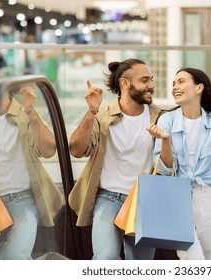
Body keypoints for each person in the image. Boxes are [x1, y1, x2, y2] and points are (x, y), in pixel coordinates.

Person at [146, 67, 211, 260]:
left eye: (181, 81)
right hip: (176, 197)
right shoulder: (167, 120)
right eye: (174, 83)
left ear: (199, 87)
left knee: (210, 258)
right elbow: (164, 168)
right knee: (192, 258)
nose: (175, 86)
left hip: (207, 197)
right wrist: (165, 139)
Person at [68, 58, 161, 260]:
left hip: (145, 200)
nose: (151, 85)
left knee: (141, 265)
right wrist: (92, 112)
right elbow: (76, 150)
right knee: (105, 259)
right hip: (108, 198)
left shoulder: (161, 117)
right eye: (145, 80)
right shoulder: (102, 115)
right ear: (125, 84)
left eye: (151, 80)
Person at [0, 85, 64, 259]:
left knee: (18, 254)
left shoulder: (25, 114)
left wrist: (31, 112)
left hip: (21, 197)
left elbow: (48, 150)